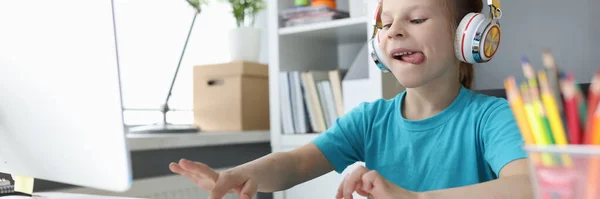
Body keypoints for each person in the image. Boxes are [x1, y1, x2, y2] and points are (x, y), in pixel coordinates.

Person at [169, 0, 534, 198]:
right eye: (386, 23)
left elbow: (529, 186)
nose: (395, 32)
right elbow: (295, 164)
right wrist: (242, 173)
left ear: (465, 36)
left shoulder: (491, 118)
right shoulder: (369, 120)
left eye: (418, 18)